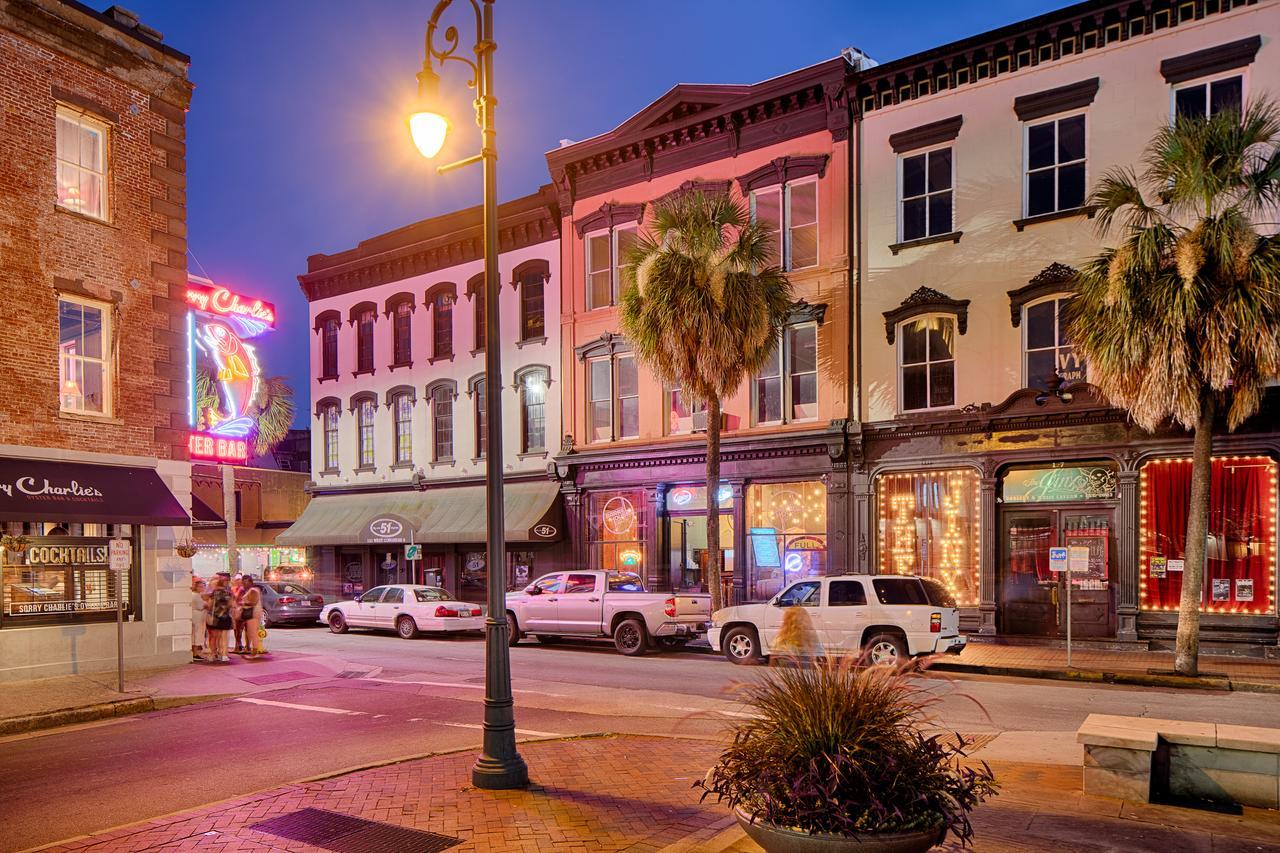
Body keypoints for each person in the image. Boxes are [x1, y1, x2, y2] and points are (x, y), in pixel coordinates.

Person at [205, 575, 234, 663]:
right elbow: (231, 604)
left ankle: (212, 655)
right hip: (225, 617)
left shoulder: (214, 593)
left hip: (215, 617)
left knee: (213, 637)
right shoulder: (229, 593)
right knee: (223, 637)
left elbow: (210, 605)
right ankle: (224, 655)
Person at [239, 574, 263, 658]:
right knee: (251, 632)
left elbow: (253, 601)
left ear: (250, 582)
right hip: (254, 613)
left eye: (245, 582)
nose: (244, 584)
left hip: (253, 613)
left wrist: (243, 603)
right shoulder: (253, 590)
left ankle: (254, 652)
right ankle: (254, 651)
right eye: (243, 582)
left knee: (252, 633)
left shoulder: (253, 590)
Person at [190, 576, 208, 662]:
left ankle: (195, 652)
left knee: (195, 633)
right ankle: (195, 653)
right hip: (198, 616)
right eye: (200, 586)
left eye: (203, 586)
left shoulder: (194, 595)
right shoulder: (196, 596)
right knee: (198, 634)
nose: (203, 588)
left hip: (195, 616)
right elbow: (202, 606)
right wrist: (206, 604)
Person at [231, 573, 247, 654]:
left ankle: (239, 645)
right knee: (236, 628)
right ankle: (237, 644)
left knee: (240, 628)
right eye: (236, 580)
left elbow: (236, 597)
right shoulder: (234, 588)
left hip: (240, 610)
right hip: (234, 610)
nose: (238, 581)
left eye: (239, 580)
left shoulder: (242, 589)